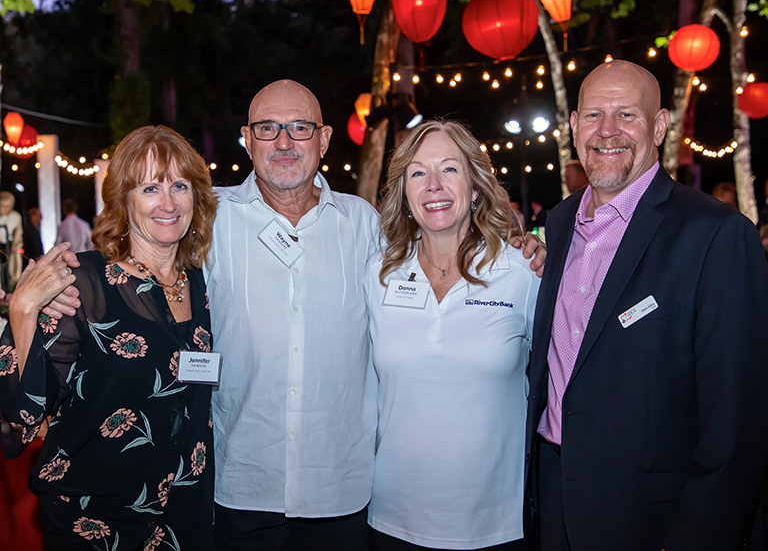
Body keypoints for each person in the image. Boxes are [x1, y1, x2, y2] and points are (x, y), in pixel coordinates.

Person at [204, 80, 545, 551]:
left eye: (299, 128)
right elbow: (141, 260)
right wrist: (69, 289)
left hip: (342, 495)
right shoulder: (207, 218)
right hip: (242, 485)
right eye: (267, 128)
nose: (283, 141)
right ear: (246, 137)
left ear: (323, 140)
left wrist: (523, 245)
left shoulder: (362, 224)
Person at [525, 60, 768, 551]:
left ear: (659, 127)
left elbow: (737, 424)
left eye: (626, 116)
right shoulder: (557, 222)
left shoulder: (715, 234)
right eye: (593, 115)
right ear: (573, 126)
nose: (607, 131)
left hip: (651, 521)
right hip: (551, 503)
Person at [0, 125, 218, 550]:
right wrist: (23, 309)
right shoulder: (80, 283)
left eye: (179, 185)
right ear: (123, 200)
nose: (169, 203)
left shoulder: (201, 282)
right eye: (150, 188)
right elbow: (22, 417)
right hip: (95, 519)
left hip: (185, 514)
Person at [366, 120, 540, 550]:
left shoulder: (521, 271)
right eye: (418, 173)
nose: (434, 185)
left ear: (476, 187)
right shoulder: (378, 275)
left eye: (450, 169)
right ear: (405, 195)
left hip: (496, 523)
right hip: (391, 518)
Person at [0, 190, 24, 290]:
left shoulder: (15, 217)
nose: (5, 208)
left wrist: (17, 245)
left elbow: (18, 234)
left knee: (11, 270)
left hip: (9, 248)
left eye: (8, 206)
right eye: (3, 205)